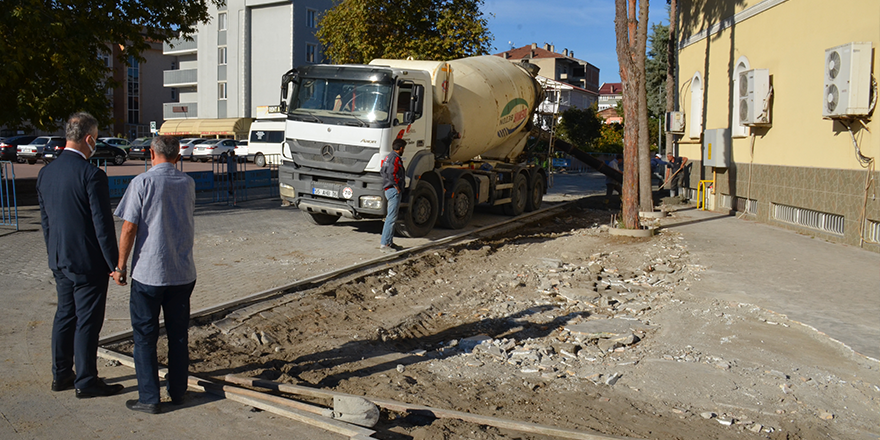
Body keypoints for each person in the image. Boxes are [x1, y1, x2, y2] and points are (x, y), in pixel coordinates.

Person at [37, 112, 124, 398]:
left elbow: (46, 221)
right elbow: (102, 225)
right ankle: (86, 381)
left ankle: (61, 375)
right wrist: (115, 264)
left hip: (60, 259)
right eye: (96, 140)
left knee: (65, 314)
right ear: (88, 139)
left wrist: (54, 255)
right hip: (88, 263)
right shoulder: (92, 175)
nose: (95, 146)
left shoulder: (46, 172)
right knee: (87, 320)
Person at [114, 136, 197, 414]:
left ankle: (149, 397)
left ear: (151, 153)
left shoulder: (142, 182)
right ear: (178, 154)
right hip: (182, 272)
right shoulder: (187, 183)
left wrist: (121, 265)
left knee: (145, 337)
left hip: (149, 273)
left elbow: (128, 228)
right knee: (178, 336)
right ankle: (178, 392)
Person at [379, 138, 406, 252]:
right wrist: (396, 185)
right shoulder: (395, 158)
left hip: (388, 189)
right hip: (393, 190)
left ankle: (389, 242)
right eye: (403, 148)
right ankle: (385, 244)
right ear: (400, 148)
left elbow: (382, 171)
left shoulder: (388, 157)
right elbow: (391, 173)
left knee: (391, 217)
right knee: (391, 217)